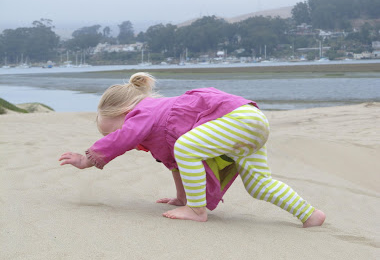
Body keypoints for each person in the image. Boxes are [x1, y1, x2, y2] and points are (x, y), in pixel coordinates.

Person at [59, 72, 325, 227]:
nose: (115, 137)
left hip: (238, 119)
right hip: (253, 123)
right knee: (259, 185)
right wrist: (180, 197)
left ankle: (198, 211)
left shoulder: (143, 111)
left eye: (111, 131)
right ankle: (310, 214)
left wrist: (88, 159)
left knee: (186, 148)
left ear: (126, 112)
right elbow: (177, 163)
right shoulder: (161, 127)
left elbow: (127, 137)